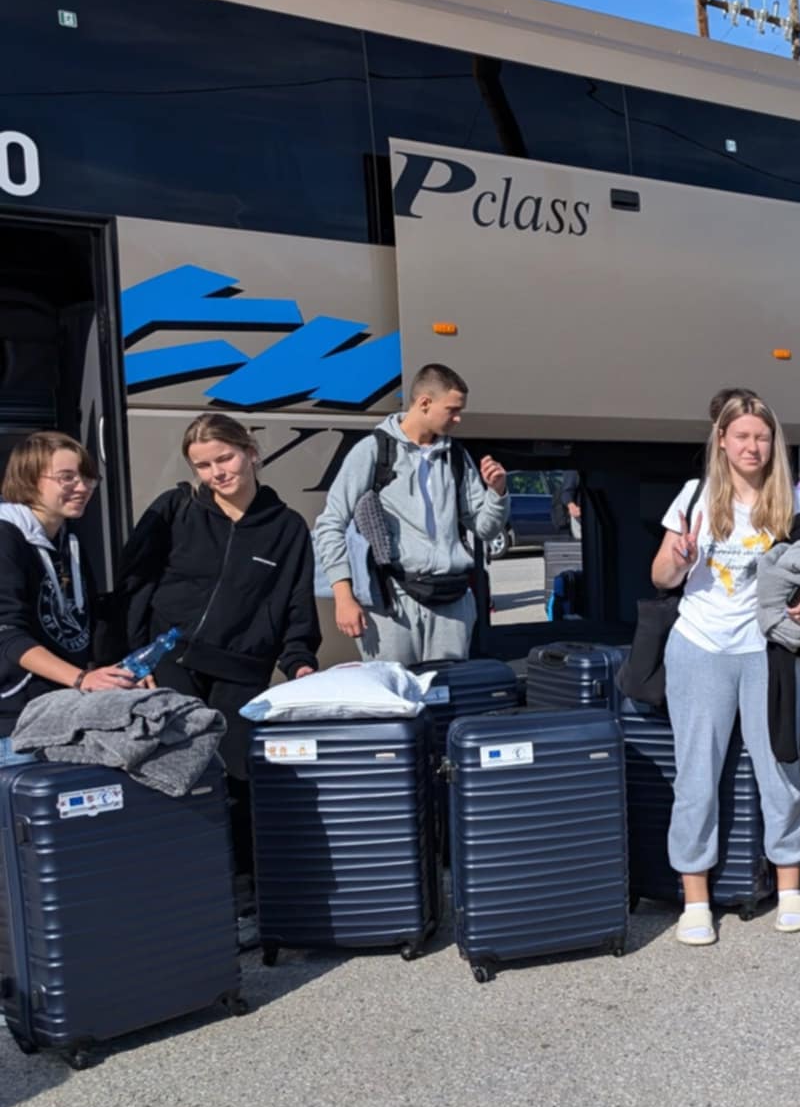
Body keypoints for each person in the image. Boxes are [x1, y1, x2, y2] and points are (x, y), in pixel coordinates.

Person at [114, 413, 321, 883]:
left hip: (241, 670)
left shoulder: (286, 528)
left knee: (239, 778)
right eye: (203, 465)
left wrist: (299, 662)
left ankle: (246, 887)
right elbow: (134, 584)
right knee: (169, 772)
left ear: (250, 451)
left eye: (224, 458)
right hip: (171, 662)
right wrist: (137, 655)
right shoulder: (176, 508)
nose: (216, 473)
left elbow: (295, 606)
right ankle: (179, 882)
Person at [652, 394, 800, 947]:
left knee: (780, 765)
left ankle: (791, 886)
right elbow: (660, 578)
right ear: (721, 441)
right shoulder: (694, 498)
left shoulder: (791, 503)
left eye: (762, 437)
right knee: (697, 772)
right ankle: (695, 898)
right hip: (699, 645)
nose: (753, 447)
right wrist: (677, 558)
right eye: (742, 436)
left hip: (765, 650)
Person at [312, 364, 508, 665]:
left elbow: (484, 528)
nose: (458, 418)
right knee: (394, 700)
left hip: (451, 602)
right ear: (424, 403)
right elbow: (330, 524)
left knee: (448, 698)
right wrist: (343, 596)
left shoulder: (456, 456)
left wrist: (497, 493)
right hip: (392, 602)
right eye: (452, 410)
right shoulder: (374, 450)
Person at [0, 432, 136, 746]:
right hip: (14, 717)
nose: (83, 487)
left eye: (88, 477)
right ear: (30, 478)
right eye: (67, 478)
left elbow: (84, 623)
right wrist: (82, 679)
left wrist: (115, 672)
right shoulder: (7, 538)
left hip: (61, 707)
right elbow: (7, 633)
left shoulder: (67, 539)